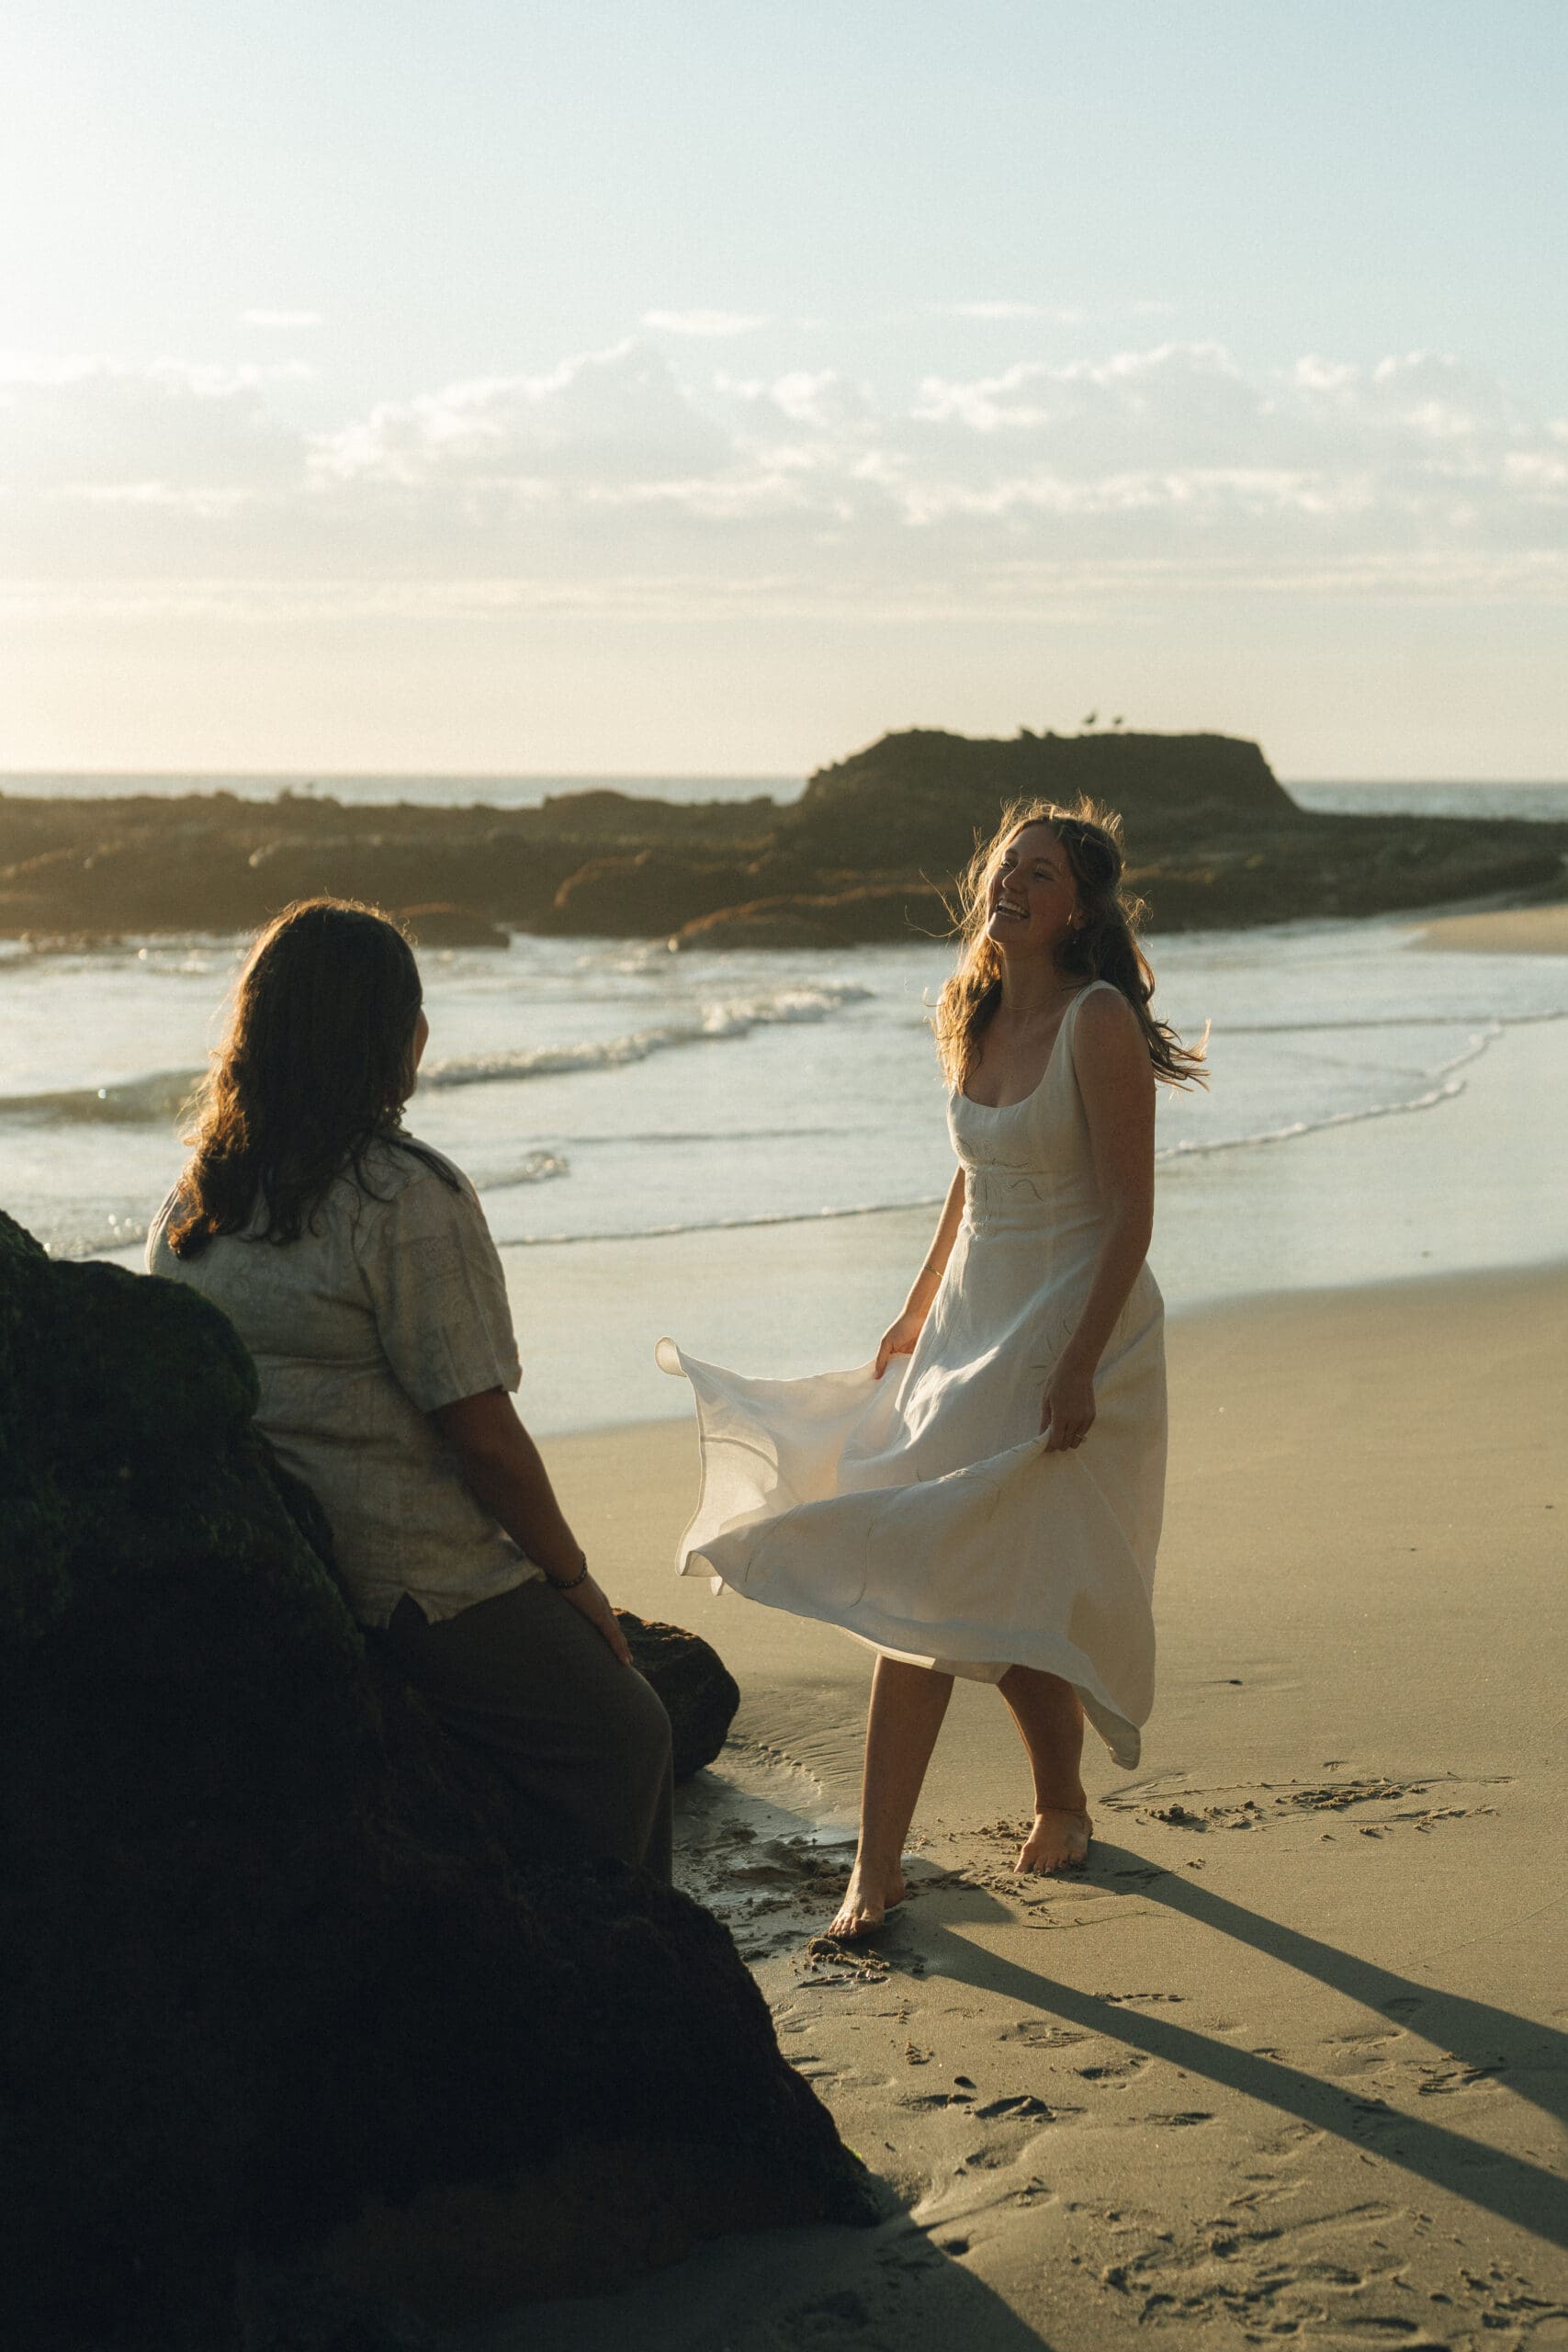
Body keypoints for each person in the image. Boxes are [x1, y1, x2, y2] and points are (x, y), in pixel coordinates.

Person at [660, 798, 1205, 1936]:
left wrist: (1079, 1365)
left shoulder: (1097, 1021)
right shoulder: (977, 1008)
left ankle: (881, 1865)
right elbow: (974, 1172)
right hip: (969, 1317)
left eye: (1040, 875)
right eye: (1005, 867)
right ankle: (1036, 1807)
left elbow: (1131, 1215)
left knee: (932, 1575)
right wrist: (913, 1310)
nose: (1011, 886)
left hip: (1066, 1319)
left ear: (1080, 908)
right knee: (971, 1577)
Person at [148, 898, 672, 1879]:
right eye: (414, 1008)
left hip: (267, 1550)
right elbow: (483, 1437)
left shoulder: (197, 1199)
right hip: (408, 1579)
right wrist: (573, 1581)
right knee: (630, 1730)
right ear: (385, 1033)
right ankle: (620, 1962)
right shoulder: (400, 1194)